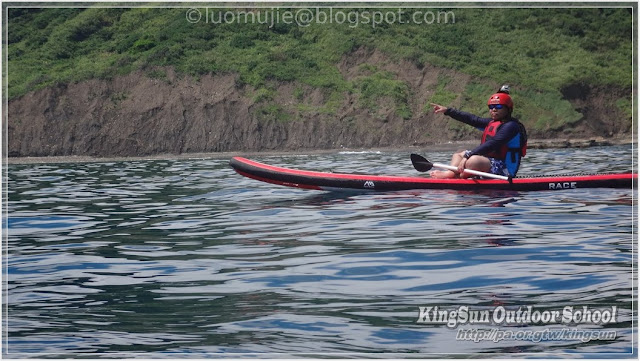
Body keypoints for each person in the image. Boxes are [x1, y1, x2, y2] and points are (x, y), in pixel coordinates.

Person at [429, 85, 527, 179]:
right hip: (488, 162)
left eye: (498, 106)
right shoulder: (491, 123)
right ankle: (451, 174)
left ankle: (456, 176)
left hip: (505, 170)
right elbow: (471, 119)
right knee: (459, 154)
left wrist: (469, 155)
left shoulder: (511, 126)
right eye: (491, 106)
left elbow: (493, 143)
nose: (493, 109)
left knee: (472, 160)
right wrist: (448, 111)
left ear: (508, 109)